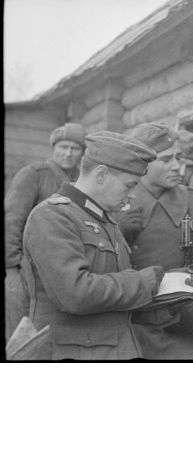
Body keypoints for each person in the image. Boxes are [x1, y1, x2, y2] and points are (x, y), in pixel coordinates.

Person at [19, 131, 164, 360]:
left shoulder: (104, 219)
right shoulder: (52, 216)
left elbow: (112, 292)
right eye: (129, 186)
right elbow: (74, 293)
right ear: (101, 174)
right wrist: (143, 283)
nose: (132, 195)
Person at [118, 122, 193, 359]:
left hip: (176, 336)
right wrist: (118, 233)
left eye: (178, 158)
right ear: (142, 164)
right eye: (166, 160)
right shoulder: (114, 202)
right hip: (123, 336)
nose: (178, 167)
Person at [5, 122, 87, 341]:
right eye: (63, 147)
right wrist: (12, 267)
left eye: (75, 148)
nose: (68, 153)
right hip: (26, 269)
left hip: (63, 268)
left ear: (82, 153)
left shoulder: (82, 181)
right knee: (23, 330)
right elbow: (12, 219)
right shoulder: (35, 174)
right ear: (54, 148)